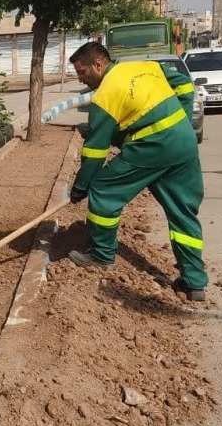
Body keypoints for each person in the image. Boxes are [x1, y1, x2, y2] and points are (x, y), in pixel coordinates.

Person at [67, 42, 208, 302]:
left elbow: (96, 150)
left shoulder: (105, 95)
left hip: (153, 146)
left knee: (104, 190)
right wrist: (183, 120)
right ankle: (194, 283)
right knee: (182, 211)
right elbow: (185, 85)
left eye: (83, 72)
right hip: (184, 142)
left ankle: (101, 255)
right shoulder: (144, 67)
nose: (81, 79)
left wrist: (81, 187)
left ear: (98, 65)